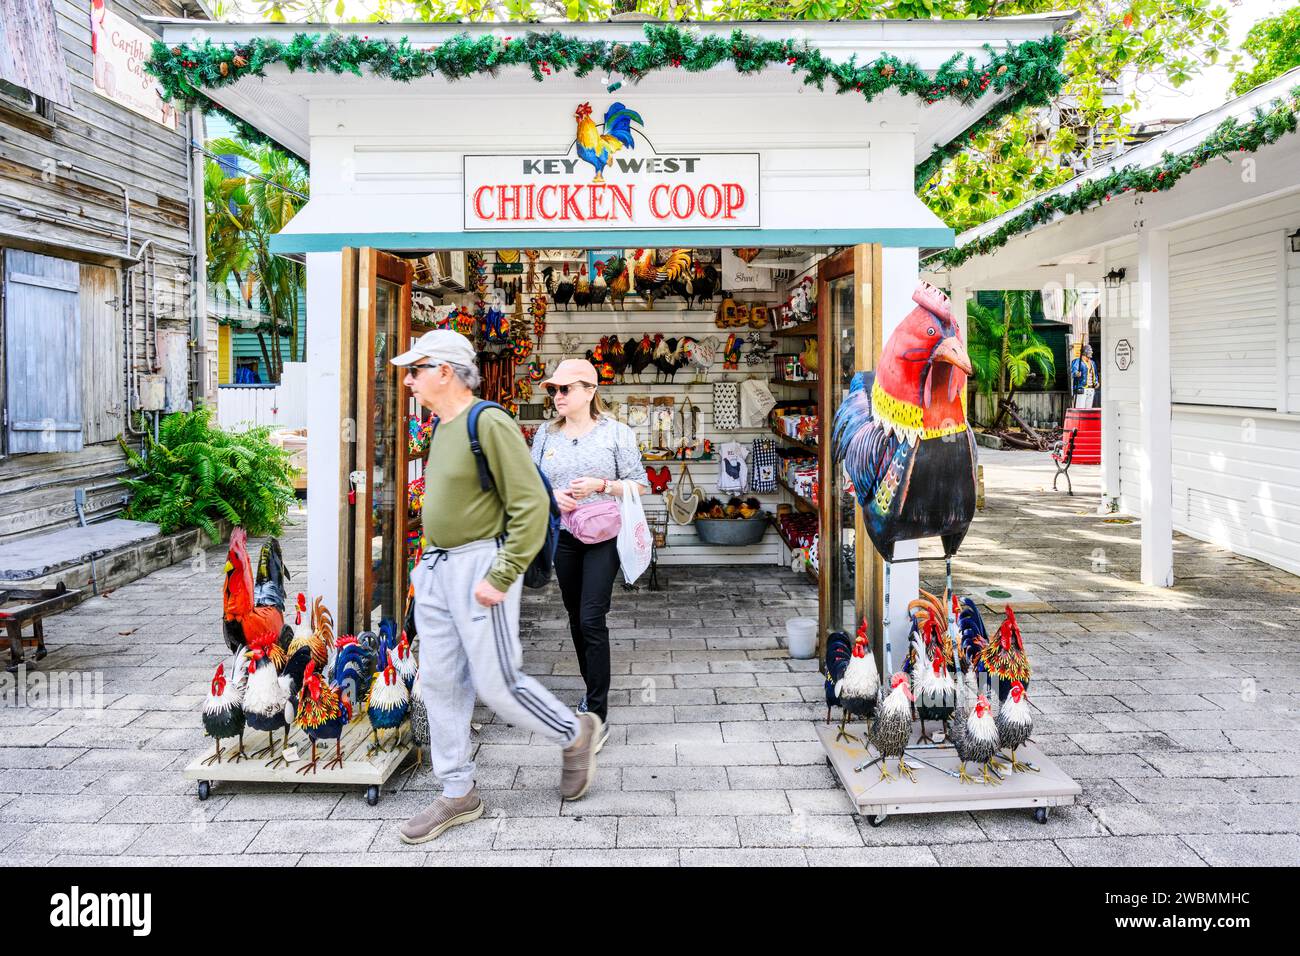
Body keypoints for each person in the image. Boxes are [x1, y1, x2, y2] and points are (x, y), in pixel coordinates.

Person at [393, 331, 602, 845]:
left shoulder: (488, 422)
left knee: (497, 682)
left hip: (481, 565)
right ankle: (457, 791)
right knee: (440, 682)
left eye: (415, 369)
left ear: (444, 371)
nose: (407, 380)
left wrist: (501, 574)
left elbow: (532, 504)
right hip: (439, 569)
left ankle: (574, 733)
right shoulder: (441, 429)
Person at [533, 359, 647, 743]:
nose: (557, 396)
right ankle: (590, 690)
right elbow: (530, 487)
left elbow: (640, 485)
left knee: (591, 617)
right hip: (564, 537)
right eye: (553, 390)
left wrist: (602, 484)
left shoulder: (617, 434)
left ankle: (597, 712)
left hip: (604, 537)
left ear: (590, 391)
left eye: (565, 389)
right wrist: (553, 496)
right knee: (574, 616)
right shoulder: (545, 436)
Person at [1070, 343, 1099, 409]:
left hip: (1091, 389)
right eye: (1090, 351)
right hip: (1081, 389)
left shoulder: (1092, 363)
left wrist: (1096, 382)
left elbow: (1095, 375)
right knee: (1080, 409)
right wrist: (1076, 373)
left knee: (1088, 410)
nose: (1092, 352)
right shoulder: (1077, 361)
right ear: (1085, 352)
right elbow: (1073, 371)